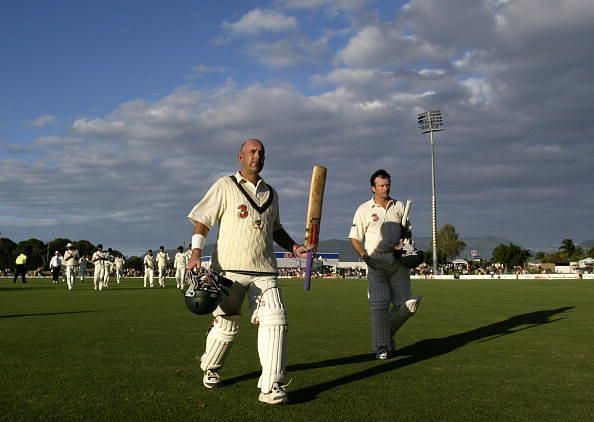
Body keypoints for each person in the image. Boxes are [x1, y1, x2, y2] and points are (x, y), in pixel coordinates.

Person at [186, 138, 307, 405]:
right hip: (228, 271)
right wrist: (195, 254)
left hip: (264, 271)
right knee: (227, 326)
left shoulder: (271, 193)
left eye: (261, 152)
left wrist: (295, 247)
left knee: (275, 320)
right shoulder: (225, 185)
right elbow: (203, 222)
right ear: (240, 156)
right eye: (252, 152)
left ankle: (271, 386)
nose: (257, 156)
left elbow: (276, 230)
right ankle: (212, 367)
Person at [348, 169, 422, 360]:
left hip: (398, 263)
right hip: (376, 263)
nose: (385, 188)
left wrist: (404, 242)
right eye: (381, 185)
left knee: (408, 305)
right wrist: (365, 256)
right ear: (373, 188)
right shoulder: (364, 209)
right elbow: (355, 238)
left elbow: (407, 233)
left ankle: (385, 334)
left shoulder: (398, 206)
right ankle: (381, 347)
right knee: (379, 305)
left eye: (387, 184)